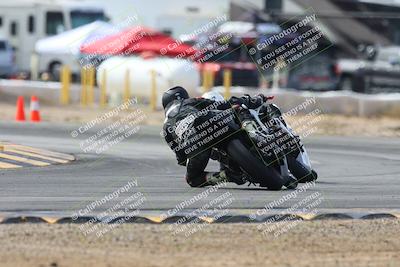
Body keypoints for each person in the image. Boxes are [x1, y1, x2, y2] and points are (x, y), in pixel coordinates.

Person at [161, 86, 270, 188]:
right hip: (210, 121)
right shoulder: (187, 102)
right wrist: (255, 100)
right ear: (180, 97)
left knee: (193, 180)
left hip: (194, 145)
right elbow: (221, 104)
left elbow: (181, 159)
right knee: (238, 108)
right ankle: (253, 133)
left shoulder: (166, 129)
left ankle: (228, 176)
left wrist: (204, 155)